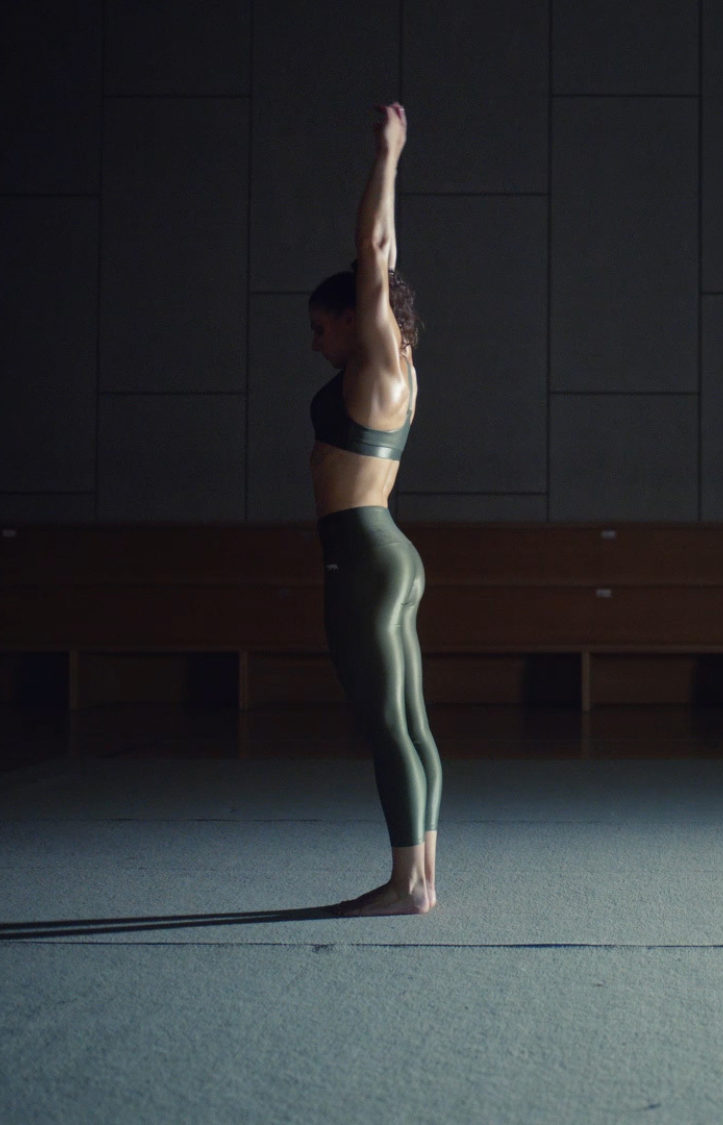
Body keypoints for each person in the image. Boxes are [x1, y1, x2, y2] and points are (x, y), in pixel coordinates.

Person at [308, 102, 440, 917]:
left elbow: (375, 253)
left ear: (359, 317)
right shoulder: (404, 368)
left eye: (321, 327)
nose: (316, 343)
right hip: (389, 550)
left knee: (387, 722)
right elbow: (380, 268)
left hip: (362, 555)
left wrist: (388, 154)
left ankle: (404, 885)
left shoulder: (380, 363)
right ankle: (422, 877)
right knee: (411, 723)